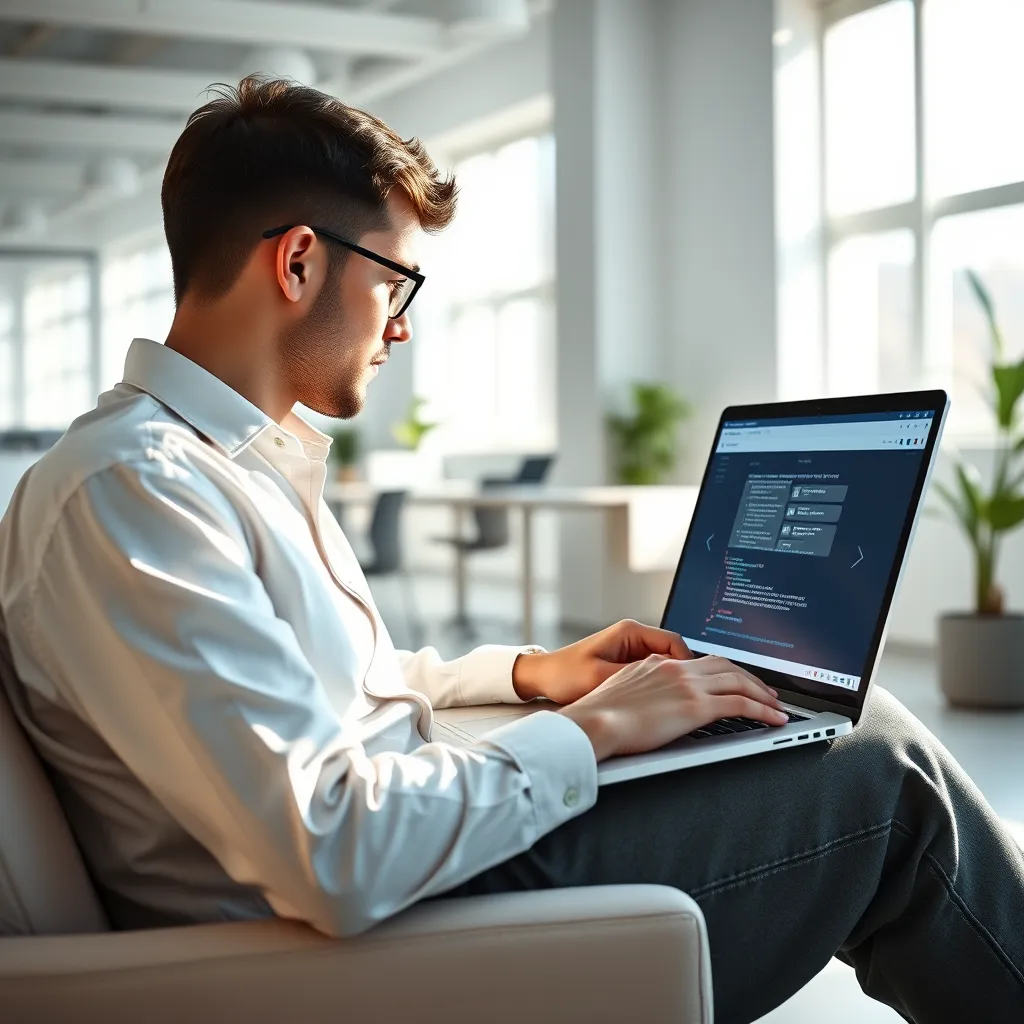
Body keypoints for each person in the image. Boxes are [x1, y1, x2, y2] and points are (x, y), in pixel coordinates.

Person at [0, 77, 1020, 1024]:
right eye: (396, 281)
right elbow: (330, 850)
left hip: (400, 882)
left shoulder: (214, 466)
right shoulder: (134, 489)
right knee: (881, 772)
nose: (400, 328)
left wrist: (535, 676)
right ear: (299, 260)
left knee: (811, 734)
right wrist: (589, 735)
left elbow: (320, 693)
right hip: (355, 945)